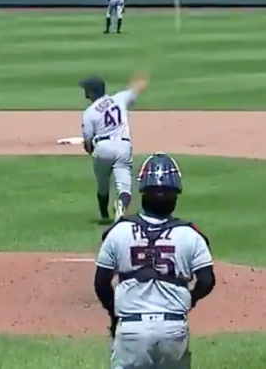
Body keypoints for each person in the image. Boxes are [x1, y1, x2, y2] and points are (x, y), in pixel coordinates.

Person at [94, 152, 215, 369]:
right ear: (176, 196)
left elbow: (101, 283)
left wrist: (114, 314)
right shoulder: (190, 235)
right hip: (173, 327)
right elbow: (207, 281)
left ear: (142, 193)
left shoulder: (119, 232)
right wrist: (190, 299)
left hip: (132, 328)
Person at [80, 72, 148, 222]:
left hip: (103, 147)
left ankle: (104, 216)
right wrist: (141, 79)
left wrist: (94, 154)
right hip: (124, 146)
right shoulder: (119, 98)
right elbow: (135, 90)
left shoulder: (89, 113)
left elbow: (88, 142)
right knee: (124, 186)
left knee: (102, 184)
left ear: (91, 92)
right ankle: (121, 205)